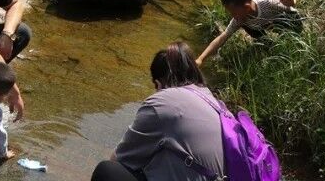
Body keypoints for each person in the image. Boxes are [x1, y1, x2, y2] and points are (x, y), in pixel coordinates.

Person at [90, 43, 227, 181]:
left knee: (107, 171)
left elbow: (119, 158)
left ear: (159, 83)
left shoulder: (162, 102)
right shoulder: (211, 99)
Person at [194, 0, 300, 66]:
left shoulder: (267, 3)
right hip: (267, 25)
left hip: (289, 23)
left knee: (287, 24)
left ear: (247, 7)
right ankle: (267, 44)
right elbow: (222, 38)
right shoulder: (239, 19)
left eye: (234, 12)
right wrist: (200, 59)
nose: (233, 16)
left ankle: (292, 43)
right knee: (245, 24)